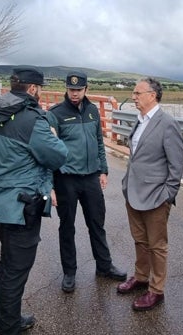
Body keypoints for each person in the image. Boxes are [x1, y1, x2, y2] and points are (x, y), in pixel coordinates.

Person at [0, 66, 68, 335]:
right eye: (39, 88)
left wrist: (4, 179)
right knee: (15, 273)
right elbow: (58, 155)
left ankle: (2, 323)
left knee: (6, 266)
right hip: (24, 204)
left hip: (2, 202)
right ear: (32, 89)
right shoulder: (33, 121)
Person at [46, 71, 126, 293]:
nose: (74, 94)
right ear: (66, 89)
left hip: (91, 177)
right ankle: (69, 272)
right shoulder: (55, 114)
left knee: (97, 224)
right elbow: (49, 150)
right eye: (71, 90)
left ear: (86, 89)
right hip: (66, 180)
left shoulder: (92, 111)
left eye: (78, 90)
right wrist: (51, 185)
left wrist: (103, 169)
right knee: (67, 227)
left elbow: (99, 142)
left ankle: (104, 266)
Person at [116, 77, 183, 311]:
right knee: (140, 240)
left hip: (156, 196)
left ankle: (156, 290)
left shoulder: (167, 124)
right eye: (133, 93)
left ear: (152, 95)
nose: (133, 97)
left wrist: (168, 194)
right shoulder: (140, 120)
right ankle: (141, 276)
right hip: (133, 192)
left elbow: (177, 165)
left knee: (157, 245)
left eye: (137, 93)